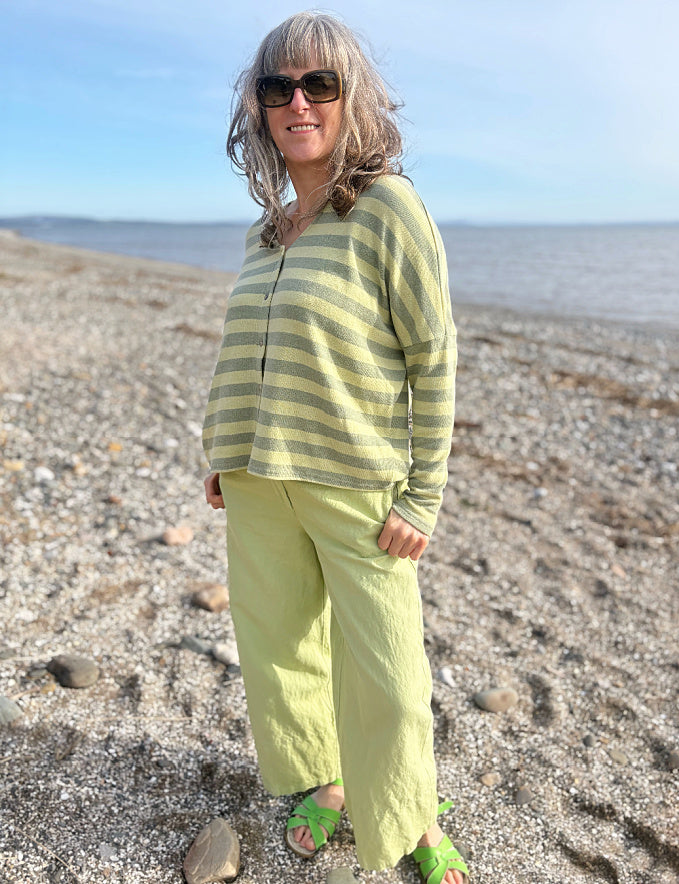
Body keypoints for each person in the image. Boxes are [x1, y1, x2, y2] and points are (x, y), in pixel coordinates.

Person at [202, 11, 466, 883]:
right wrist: (223, 451)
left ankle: (416, 820)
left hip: (357, 482)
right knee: (280, 650)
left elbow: (433, 356)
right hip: (256, 476)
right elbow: (251, 347)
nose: (298, 102)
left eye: (320, 83)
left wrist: (423, 495)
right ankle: (331, 782)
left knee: (388, 670)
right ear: (260, 109)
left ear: (355, 98)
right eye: (278, 88)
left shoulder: (389, 207)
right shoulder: (265, 231)